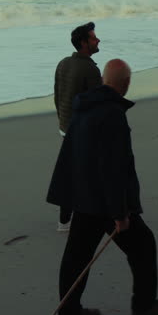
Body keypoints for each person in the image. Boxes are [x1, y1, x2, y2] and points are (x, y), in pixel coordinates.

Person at [46, 58, 158, 315]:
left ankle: (68, 311)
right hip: (102, 200)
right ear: (126, 84)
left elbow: (73, 152)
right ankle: (144, 304)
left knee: (77, 256)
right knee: (143, 245)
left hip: (83, 194)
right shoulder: (112, 114)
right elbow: (114, 167)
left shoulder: (83, 105)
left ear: (105, 80)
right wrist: (120, 211)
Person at [52, 22, 102, 232]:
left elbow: (57, 96)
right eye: (93, 37)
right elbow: (99, 104)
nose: (98, 40)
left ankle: (65, 220)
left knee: (73, 171)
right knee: (85, 173)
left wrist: (64, 122)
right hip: (82, 131)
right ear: (83, 43)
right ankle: (74, 220)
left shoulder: (63, 63)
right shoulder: (89, 69)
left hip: (66, 126)